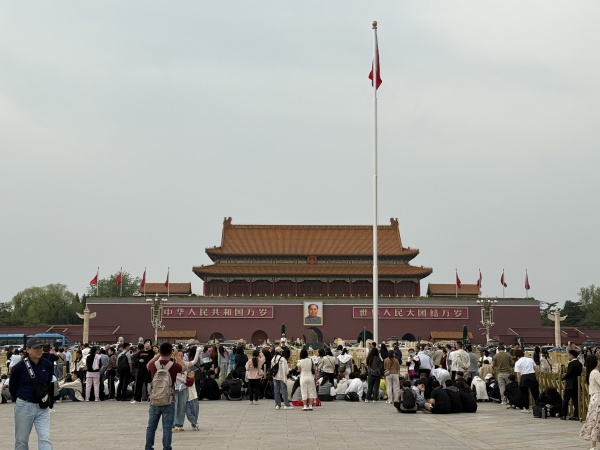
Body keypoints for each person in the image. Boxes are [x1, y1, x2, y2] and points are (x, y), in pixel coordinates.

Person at [9, 337, 54, 449]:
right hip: (24, 406)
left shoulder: (47, 365)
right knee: (21, 440)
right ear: (28, 349)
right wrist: (21, 399)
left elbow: (48, 382)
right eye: (36, 348)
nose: (39, 350)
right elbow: (12, 386)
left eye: (41, 347)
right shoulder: (19, 367)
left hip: (42, 407)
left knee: (45, 438)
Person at [144, 342, 184, 450]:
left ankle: (148, 447)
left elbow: (147, 365)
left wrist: (158, 354)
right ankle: (166, 448)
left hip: (155, 399)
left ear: (160, 351)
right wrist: (176, 356)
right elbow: (184, 368)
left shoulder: (154, 365)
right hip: (168, 399)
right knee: (167, 428)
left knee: (151, 427)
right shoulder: (174, 366)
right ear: (171, 352)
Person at [580, 355, 600, 449]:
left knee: (594, 421)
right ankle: (593, 446)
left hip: (594, 398)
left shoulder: (591, 372)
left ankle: (593, 446)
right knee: (597, 422)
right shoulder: (596, 372)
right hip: (598, 398)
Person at [561, 349, 583, 420]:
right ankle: (576, 415)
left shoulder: (571, 364)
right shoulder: (580, 364)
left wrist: (563, 378)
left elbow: (569, 373)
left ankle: (563, 415)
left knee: (566, 399)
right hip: (577, 383)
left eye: (568, 355)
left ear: (572, 356)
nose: (568, 357)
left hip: (570, 384)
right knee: (576, 400)